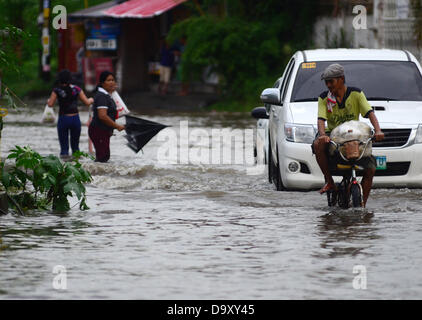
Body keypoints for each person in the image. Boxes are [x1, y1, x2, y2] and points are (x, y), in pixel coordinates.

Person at [311, 63, 384, 207]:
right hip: (333, 135)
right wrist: (322, 135)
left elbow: (370, 113)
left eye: (331, 81)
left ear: (341, 79)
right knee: (318, 144)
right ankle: (330, 182)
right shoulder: (324, 98)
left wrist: (378, 130)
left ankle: (362, 204)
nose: (328, 85)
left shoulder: (356, 94)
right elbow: (321, 119)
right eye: (326, 82)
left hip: (353, 136)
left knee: (371, 169)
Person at [47, 69, 93, 159]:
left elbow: (50, 104)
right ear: (70, 78)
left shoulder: (57, 90)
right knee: (76, 148)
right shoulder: (76, 89)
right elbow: (87, 103)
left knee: (64, 149)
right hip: (75, 119)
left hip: (63, 119)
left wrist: (48, 101)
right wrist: (91, 99)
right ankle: (77, 168)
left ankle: (64, 168)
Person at [88, 71, 125, 163]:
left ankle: (100, 175)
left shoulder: (107, 95)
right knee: (103, 157)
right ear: (102, 83)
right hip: (98, 130)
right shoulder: (102, 97)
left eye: (113, 80)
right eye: (109, 80)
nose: (112, 82)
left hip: (103, 131)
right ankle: (96, 176)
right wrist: (117, 126)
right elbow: (102, 116)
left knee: (104, 156)